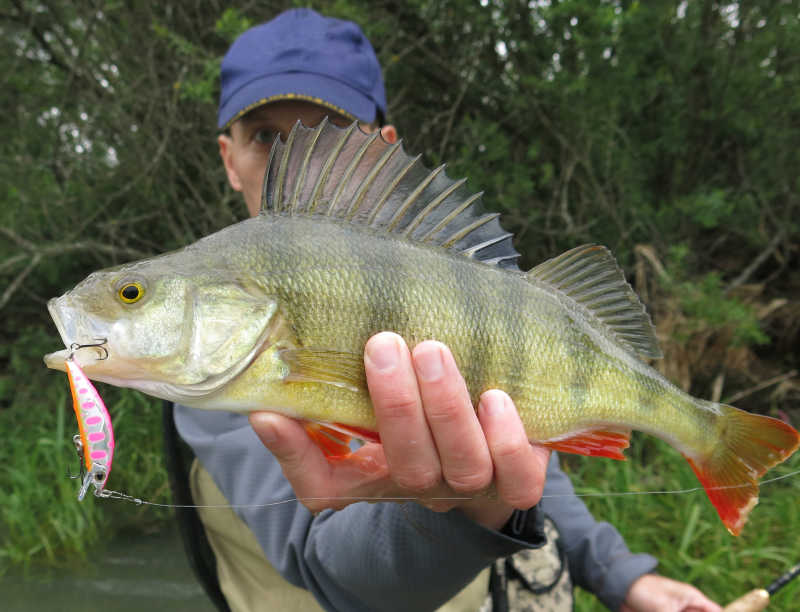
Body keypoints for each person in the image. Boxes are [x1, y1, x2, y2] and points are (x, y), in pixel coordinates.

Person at [172, 9, 722, 612]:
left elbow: (532, 457)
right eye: (266, 138)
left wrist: (624, 577)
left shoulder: (464, 280)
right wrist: (467, 507)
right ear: (229, 158)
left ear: (385, 148)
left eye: (330, 133)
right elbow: (331, 571)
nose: (294, 158)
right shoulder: (212, 365)